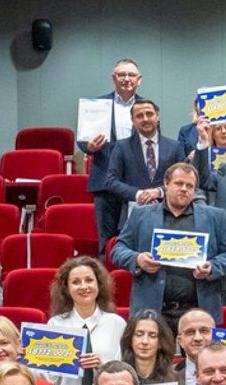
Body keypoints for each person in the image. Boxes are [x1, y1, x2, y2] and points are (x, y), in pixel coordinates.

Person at [110, 163, 226, 327]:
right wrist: (137, 259)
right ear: (166, 184)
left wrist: (212, 267)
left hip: (198, 310)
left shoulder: (215, 216)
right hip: (152, 310)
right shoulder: (140, 214)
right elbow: (117, 250)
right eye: (179, 184)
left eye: (189, 186)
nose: (184, 189)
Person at [42, 258, 126, 385]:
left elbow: (126, 373)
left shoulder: (117, 324)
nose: (84, 286)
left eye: (89, 280)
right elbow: (46, 380)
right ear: (66, 288)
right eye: (76, 282)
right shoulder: (56, 325)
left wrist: (102, 368)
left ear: (99, 284)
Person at [92, 99, 188, 227]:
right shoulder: (122, 147)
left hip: (171, 218)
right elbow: (111, 181)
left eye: (149, 114)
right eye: (139, 116)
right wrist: (138, 194)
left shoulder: (175, 146)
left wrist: (159, 191)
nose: (145, 119)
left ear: (157, 117)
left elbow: (185, 180)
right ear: (132, 121)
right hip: (133, 219)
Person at [80, 59, 144, 245]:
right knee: (105, 241)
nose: (126, 79)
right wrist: (90, 147)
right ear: (113, 78)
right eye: (121, 74)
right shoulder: (96, 105)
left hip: (135, 183)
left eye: (131, 75)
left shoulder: (146, 107)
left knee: (134, 240)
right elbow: (83, 141)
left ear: (139, 79)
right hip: (104, 181)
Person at [121, 308, 179, 385]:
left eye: (152, 336)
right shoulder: (118, 377)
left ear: (160, 343)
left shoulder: (175, 378)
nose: (145, 341)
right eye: (139, 334)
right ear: (130, 339)